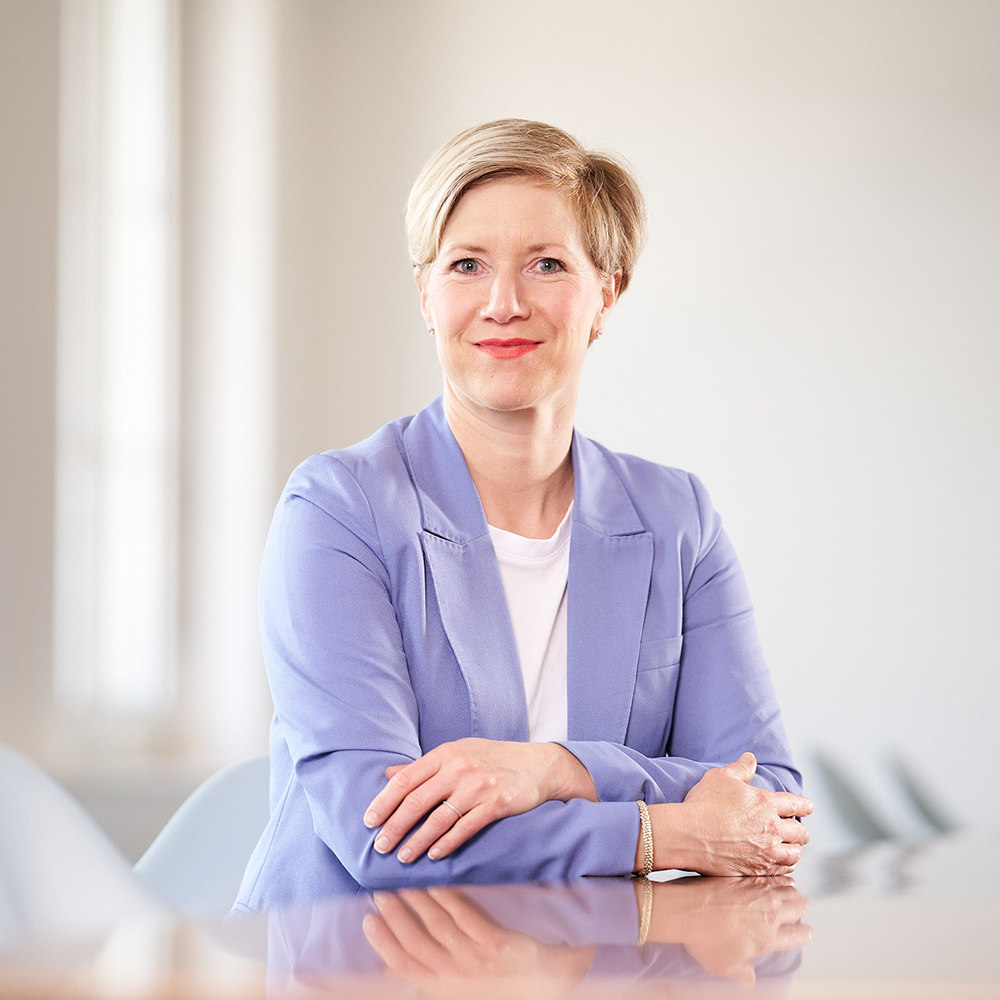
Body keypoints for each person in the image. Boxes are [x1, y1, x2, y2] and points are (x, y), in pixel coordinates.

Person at [234, 119, 812, 914]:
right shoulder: (337, 509)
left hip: (585, 962)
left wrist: (553, 769)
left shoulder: (679, 518)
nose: (503, 303)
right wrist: (661, 834)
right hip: (354, 964)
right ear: (427, 297)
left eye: (546, 264)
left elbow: (767, 801)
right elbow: (382, 838)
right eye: (466, 265)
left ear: (605, 294)